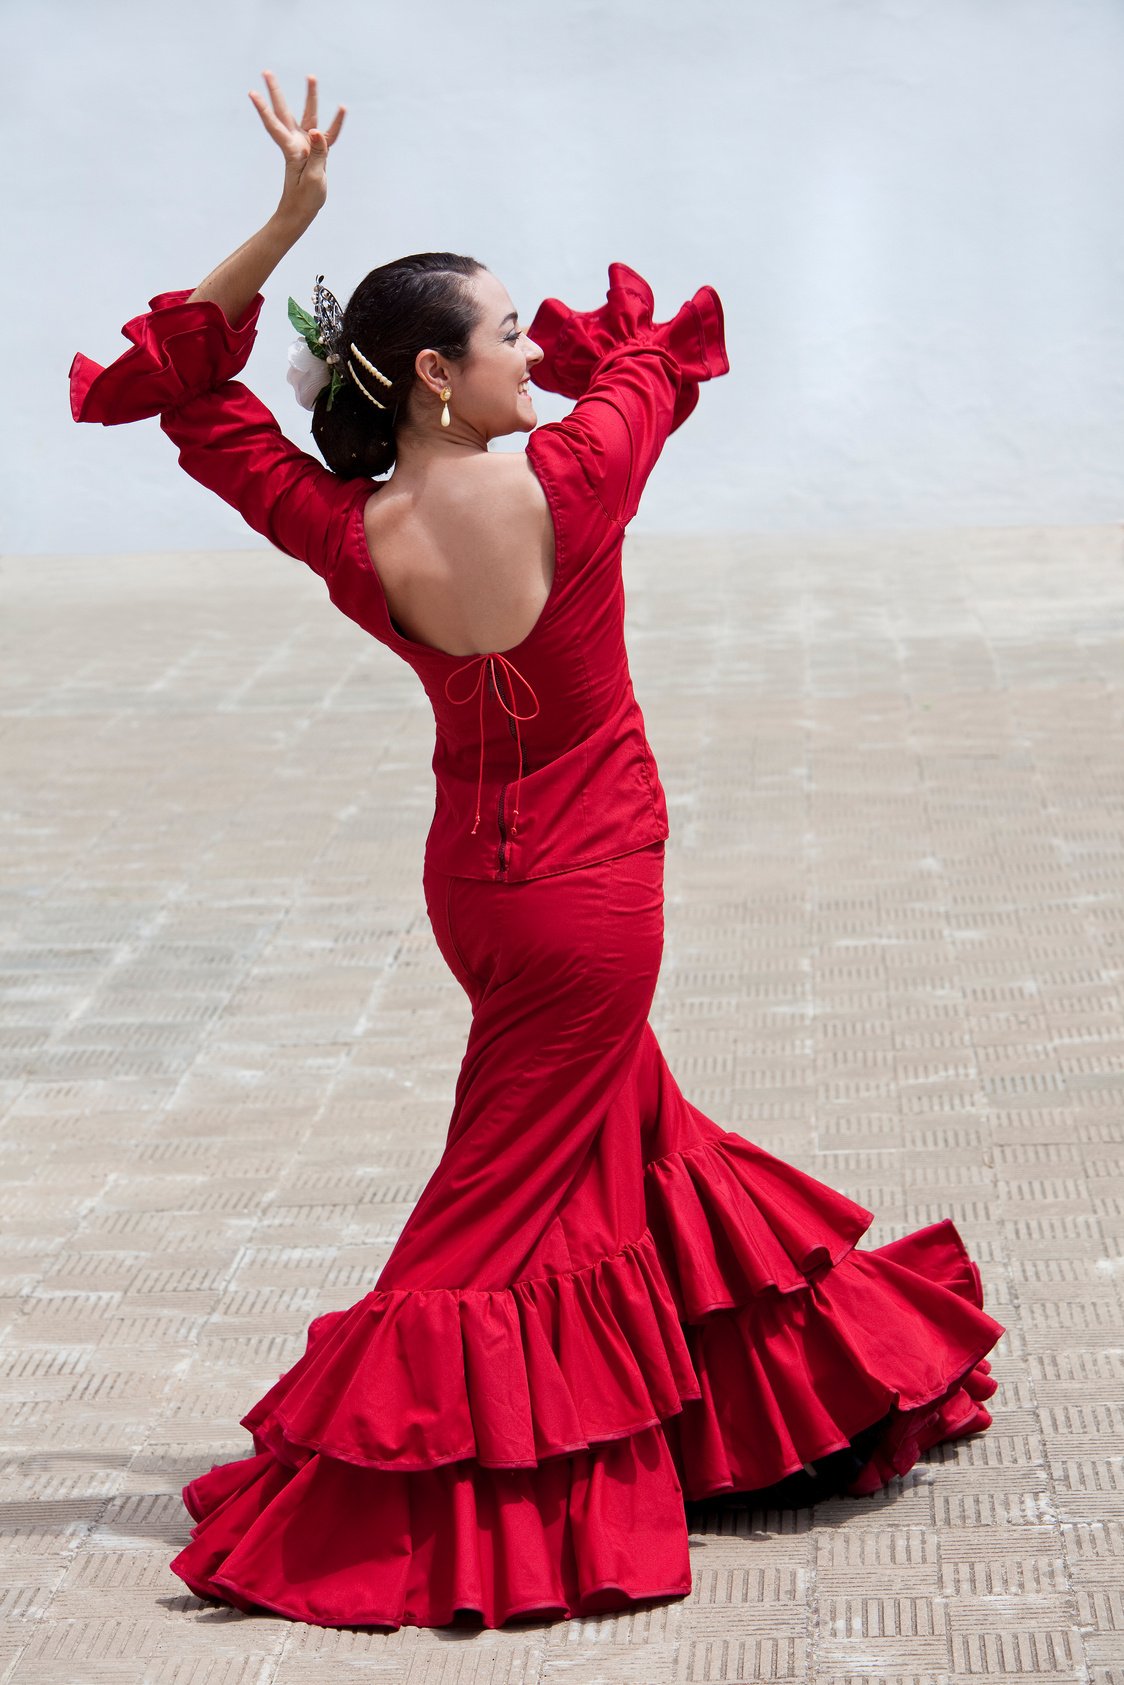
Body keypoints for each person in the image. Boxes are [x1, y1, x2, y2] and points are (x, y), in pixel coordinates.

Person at [70, 73, 1005, 1633]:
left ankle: (788, 1405)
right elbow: (662, 363)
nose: (530, 351)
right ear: (437, 374)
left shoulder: (341, 529)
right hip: (596, 891)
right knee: (493, 1211)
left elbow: (170, 389)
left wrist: (287, 222)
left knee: (645, 1144)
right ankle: (374, 1491)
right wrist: (606, 356)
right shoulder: (579, 476)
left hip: (478, 893)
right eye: (504, 335)